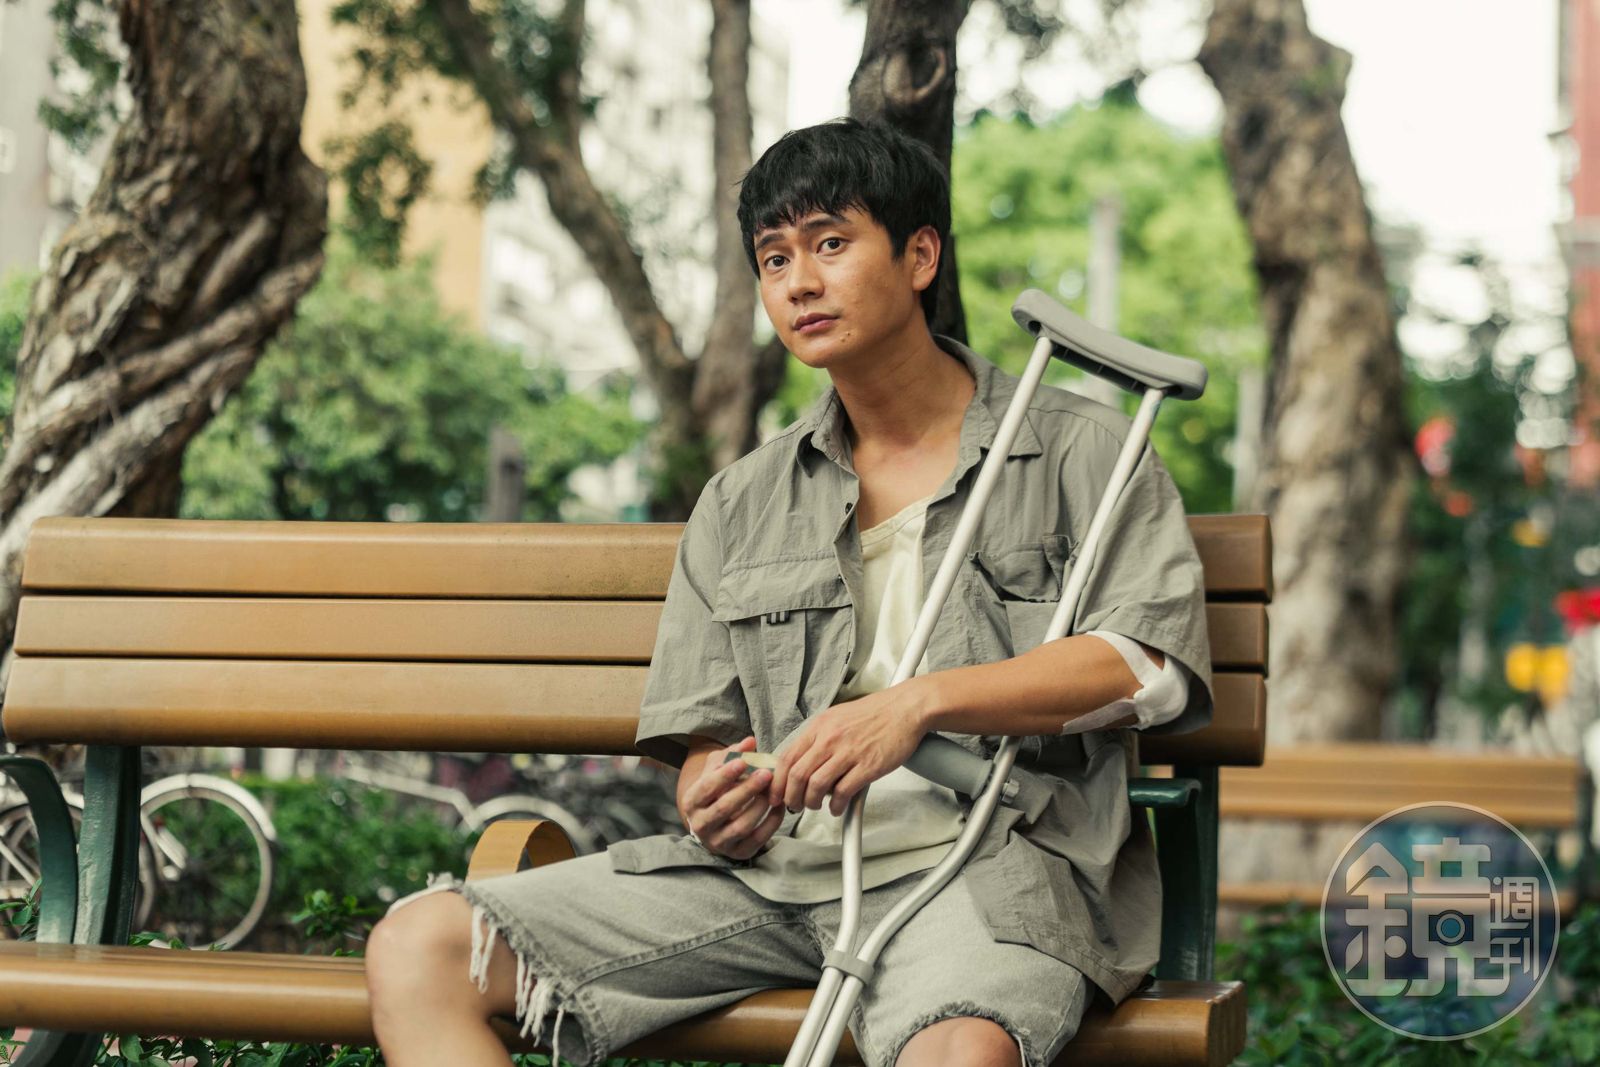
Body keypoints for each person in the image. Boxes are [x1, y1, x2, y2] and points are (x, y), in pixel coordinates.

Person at [365, 117, 1214, 1067]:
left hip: (987, 869)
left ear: (920, 255)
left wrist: (914, 705)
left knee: (959, 1053)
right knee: (422, 949)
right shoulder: (742, 501)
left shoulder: (1079, 449)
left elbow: (1148, 670)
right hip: (771, 877)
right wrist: (715, 799)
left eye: (831, 244)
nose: (799, 282)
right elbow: (704, 742)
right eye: (775, 258)